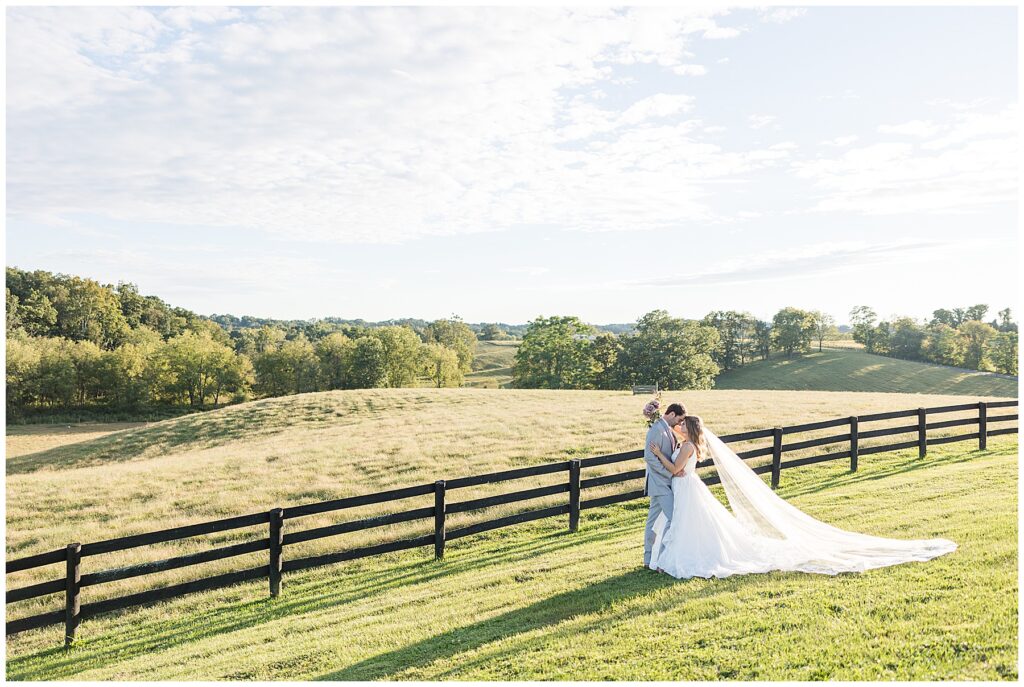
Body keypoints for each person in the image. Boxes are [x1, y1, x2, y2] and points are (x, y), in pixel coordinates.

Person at [647, 414, 957, 578]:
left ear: (688, 428)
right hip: (688, 489)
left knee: (692, 524)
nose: (678, 426)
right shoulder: (687, 440)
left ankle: (681, 559)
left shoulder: (687, 445)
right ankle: (675, 557)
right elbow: (673, 438)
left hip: (685, 486)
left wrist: (659, 454)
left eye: (682, 424)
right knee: (693, 525)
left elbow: (676, 469)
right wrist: (659, 422)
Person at [642, 402, 686, 568]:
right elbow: (649, 457)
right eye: (680, 419)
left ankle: (648, 559)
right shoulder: (657, 429)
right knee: (673, 519)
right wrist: (670, 473)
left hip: (663, 483)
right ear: (672, 414)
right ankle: (662, 559)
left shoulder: (666, 428)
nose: (680, 423)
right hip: (660, 482)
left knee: (653, 521)